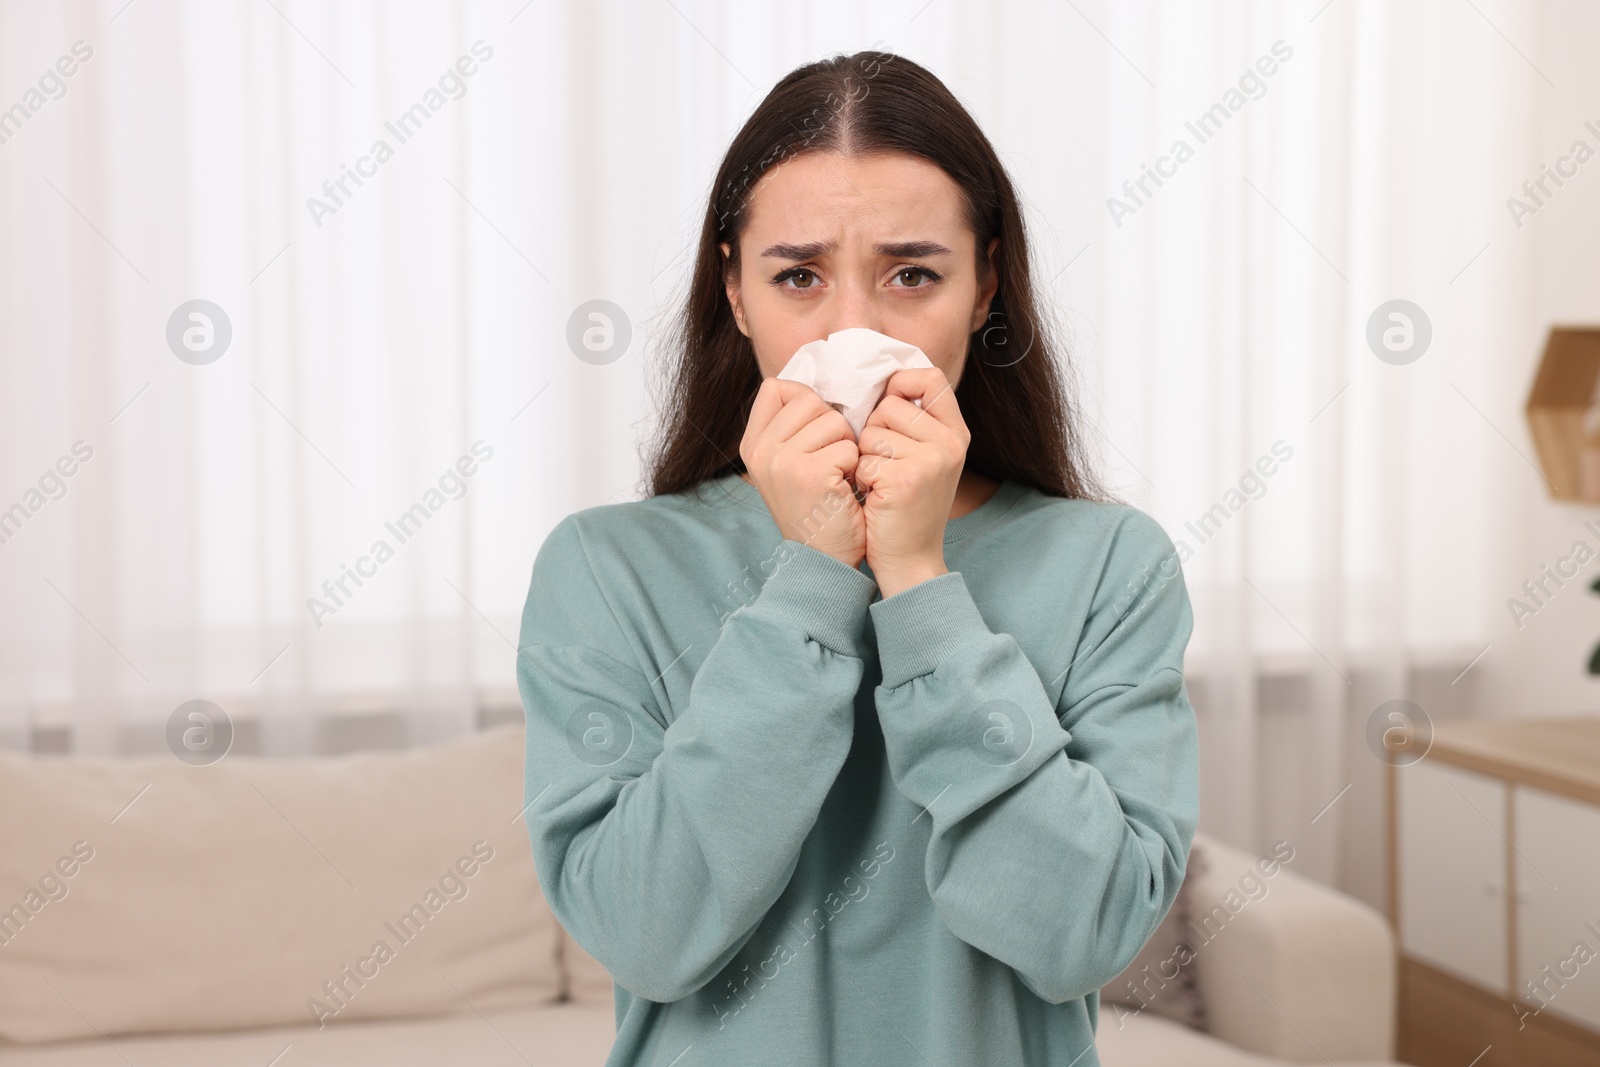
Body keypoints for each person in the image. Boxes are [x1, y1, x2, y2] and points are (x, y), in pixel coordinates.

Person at [517, 49, 1199, 1067]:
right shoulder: (605, 569)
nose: (853, 332)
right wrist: (814, 577)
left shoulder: (1110, 565)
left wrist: (919, 579)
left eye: (912, 273)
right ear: (735, 292)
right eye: (797, 275)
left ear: (984, 289)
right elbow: (646, 933)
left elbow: (1082, 933)